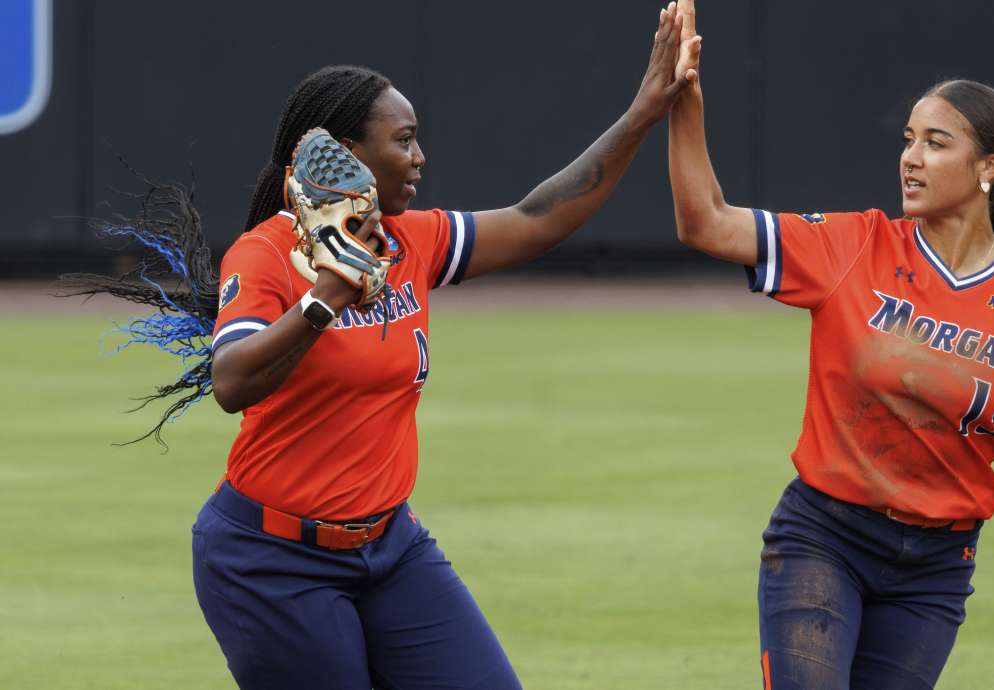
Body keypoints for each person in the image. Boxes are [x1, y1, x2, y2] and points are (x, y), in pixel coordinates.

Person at [70, 5, 695, 689]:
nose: (419, 157)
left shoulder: (409, 242)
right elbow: (232, 381)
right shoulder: (269, 253)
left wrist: (641, 115)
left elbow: (536, 218)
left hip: (390, 547)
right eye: (404, 140)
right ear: (340, 154)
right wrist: (329, 294)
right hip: (271, 561)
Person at [666, 5, 994, 688]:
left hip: (937, 569)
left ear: (988, 166)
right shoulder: (854, 246)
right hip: (825, 537)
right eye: (909, 139)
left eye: (937, 143)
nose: (911, 156)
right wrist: (686, 102)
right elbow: (705, 222)